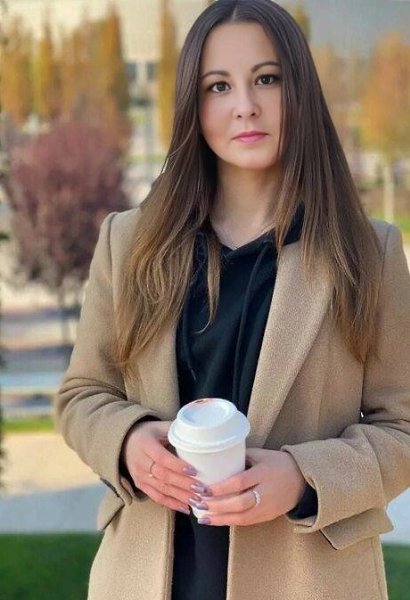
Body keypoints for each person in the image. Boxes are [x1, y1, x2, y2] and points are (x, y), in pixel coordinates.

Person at [56, 1, 410, 599]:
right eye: (218, 86)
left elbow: (402, 427)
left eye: (266, 79)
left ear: (299, 91)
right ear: (193, 107)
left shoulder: (366, 251)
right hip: (147, 577)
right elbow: (81, 395)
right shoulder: (130, 242)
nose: (245, 104)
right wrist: (129, 441)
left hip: (309, 581)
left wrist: (302, 476)